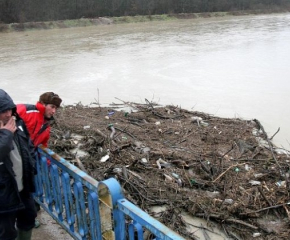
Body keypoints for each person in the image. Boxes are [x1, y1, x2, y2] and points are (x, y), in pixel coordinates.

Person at [16, 92, 62, 228]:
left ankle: (26, 220)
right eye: (52, 107)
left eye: (56, 109)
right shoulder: (25, 110)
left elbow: (43, 145)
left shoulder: (46, 125)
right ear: (43, 104)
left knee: (25, 195)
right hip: (13, 161)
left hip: (26, 164)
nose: (54, 111)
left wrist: (48, 166)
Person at [0, 89, 37, 240]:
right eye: (3, 111)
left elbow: (28, 146)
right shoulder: (7, 130)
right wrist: (6, 134)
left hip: (23, 188)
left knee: (28, 220)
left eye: (9, 109)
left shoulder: (18, 122)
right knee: (6, 233)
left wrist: (31, 166)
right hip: (4, 193)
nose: (8, 114)